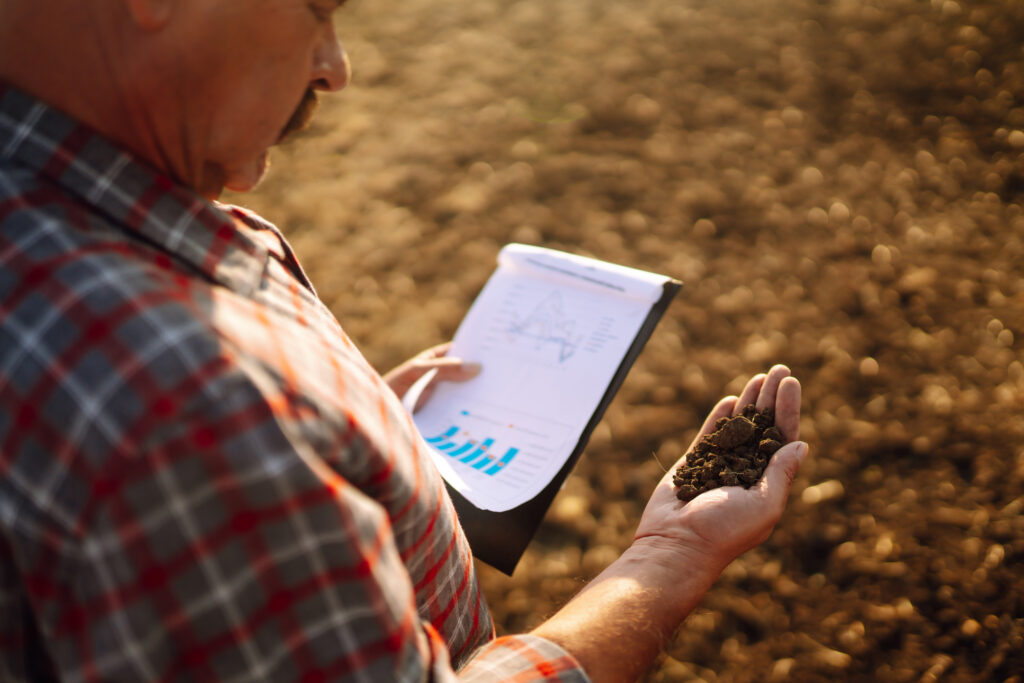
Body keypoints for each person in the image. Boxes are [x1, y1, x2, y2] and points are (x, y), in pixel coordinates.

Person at [0, 0, 808, 681]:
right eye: (319, 9)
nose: (335, 66)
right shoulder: (192, 401)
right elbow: (196, 441)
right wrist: (669, 556)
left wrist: (330, 451)